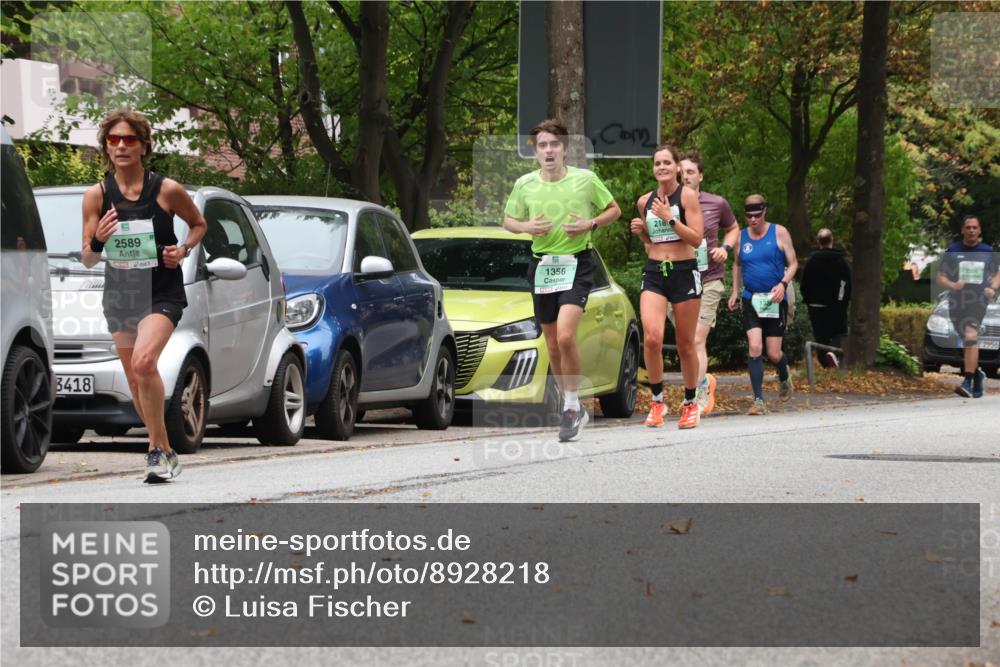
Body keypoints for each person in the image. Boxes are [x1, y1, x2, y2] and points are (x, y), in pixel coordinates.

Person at [81, 109, 207, 482]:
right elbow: (88, 258)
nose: (121, 146)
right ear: (106, 147)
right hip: (121, 296)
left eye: (129, 139)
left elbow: (199, 224)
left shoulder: (166, 190)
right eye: (114, 140)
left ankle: (153, 451)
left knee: (144, 362)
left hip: (161, 291)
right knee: (137, 382)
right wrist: (99, 240)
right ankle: (166, 449)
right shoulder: (96, 196)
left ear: (143, 146)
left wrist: (182, 250)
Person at [503, 119, 621, 441]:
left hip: (577, 263)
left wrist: (590, 223)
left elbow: (614, 210)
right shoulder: (525, 184)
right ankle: (573, 408)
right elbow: (507, 221)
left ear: (565, 149)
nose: (549, 150)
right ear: (536, 152)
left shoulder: (585, 180)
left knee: (567, 337)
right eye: (542, 145)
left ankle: (571, 405)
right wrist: (527, 227)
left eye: (554, 144)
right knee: (552, 344)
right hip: (542, 265)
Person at [630, 145, 705, 429]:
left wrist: (670, 218)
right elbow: (652, 242)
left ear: (676, 167)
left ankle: (689, 403)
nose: (661, 167)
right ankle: (657, 401)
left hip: (684, 272)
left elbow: (696, 239)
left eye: (666, 163)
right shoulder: (643, 201)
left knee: (686, 344)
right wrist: (642, 233)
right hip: (654, 272)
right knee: (651, 338)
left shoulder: (687, 196)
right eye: (657, 163)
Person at [675, 150, 739, 415]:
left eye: (691, 172)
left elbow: (733, 228)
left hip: (710, 279)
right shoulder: (668, 203)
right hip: (678, 279)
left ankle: (696, 396)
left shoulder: (717, 203)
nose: (686, 176)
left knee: (697, 339)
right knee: (685, 342)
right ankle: (701, 382)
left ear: (700, 176)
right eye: (682, 172)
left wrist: (725, 247)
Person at [727, 195, 798, 415]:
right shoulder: (740, 237)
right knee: (755, 347)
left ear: (764, 211)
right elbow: (737, 265)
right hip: (751, 298)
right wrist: (735, 291)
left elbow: (794, 263)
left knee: (774, 353)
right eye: (749, 216)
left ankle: (784, 375)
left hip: (775, 298)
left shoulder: (779, 232)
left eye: (757, 215)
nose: (753, 220)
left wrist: (783, 284)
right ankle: (758, 400)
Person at [936, 215, 999, 398]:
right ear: (963, 230)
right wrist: (953, 285)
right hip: (957, 301)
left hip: (978, 301)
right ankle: (977, 374)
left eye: (974, 227)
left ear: (979, 231)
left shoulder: (988, 251)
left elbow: (997, 275)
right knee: (966, 339)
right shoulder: (953, 250)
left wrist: (992, 289)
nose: (971, 230)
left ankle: (968, 380)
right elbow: (940, 277)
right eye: (968, 227)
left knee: (971, 335)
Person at [800, 228, 852, 368]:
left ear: (818, 242)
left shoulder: (811, 262)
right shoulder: (841, 261)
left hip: (816, 304)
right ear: (832, 241)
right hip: (836, 304)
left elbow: (805, 283)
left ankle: (825, 363)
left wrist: (808, 299)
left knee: (820, 335)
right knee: (837, 331)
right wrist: (844, 299)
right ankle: (833, 354)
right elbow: (847, 282)